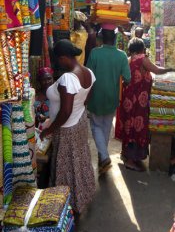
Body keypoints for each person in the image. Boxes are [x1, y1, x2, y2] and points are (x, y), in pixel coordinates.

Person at [40, 39, 96, 214]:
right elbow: (86, 99)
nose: (57, 63)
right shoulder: (88, 72)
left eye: (57, 59)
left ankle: (66, 206)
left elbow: (65, 111)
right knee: (77, 160)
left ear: (64, 57)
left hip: (67, 127)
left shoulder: (68, 78)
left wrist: (49, 129)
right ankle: (81, 197)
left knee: (66, 165)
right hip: (78, 122)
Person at [118, 38, 174, 171]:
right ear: (142, 49)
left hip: (128, 99)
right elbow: (156, 70)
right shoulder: (142, 58)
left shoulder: (128, 59)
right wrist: (171, 68)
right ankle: (131, 160)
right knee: (137, 126)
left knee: (128, 124)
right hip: (138, 101)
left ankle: (126, 154)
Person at [87, 26, 131, 174]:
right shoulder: (122, 55)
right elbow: (128, 78)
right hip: (112, 97)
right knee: (105, 127)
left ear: (100, 38)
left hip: (96, 96)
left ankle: (104, 157)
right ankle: (102, 160)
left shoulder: (95, 53)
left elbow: (88, 76)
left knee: (96, 126)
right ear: (115, 38)